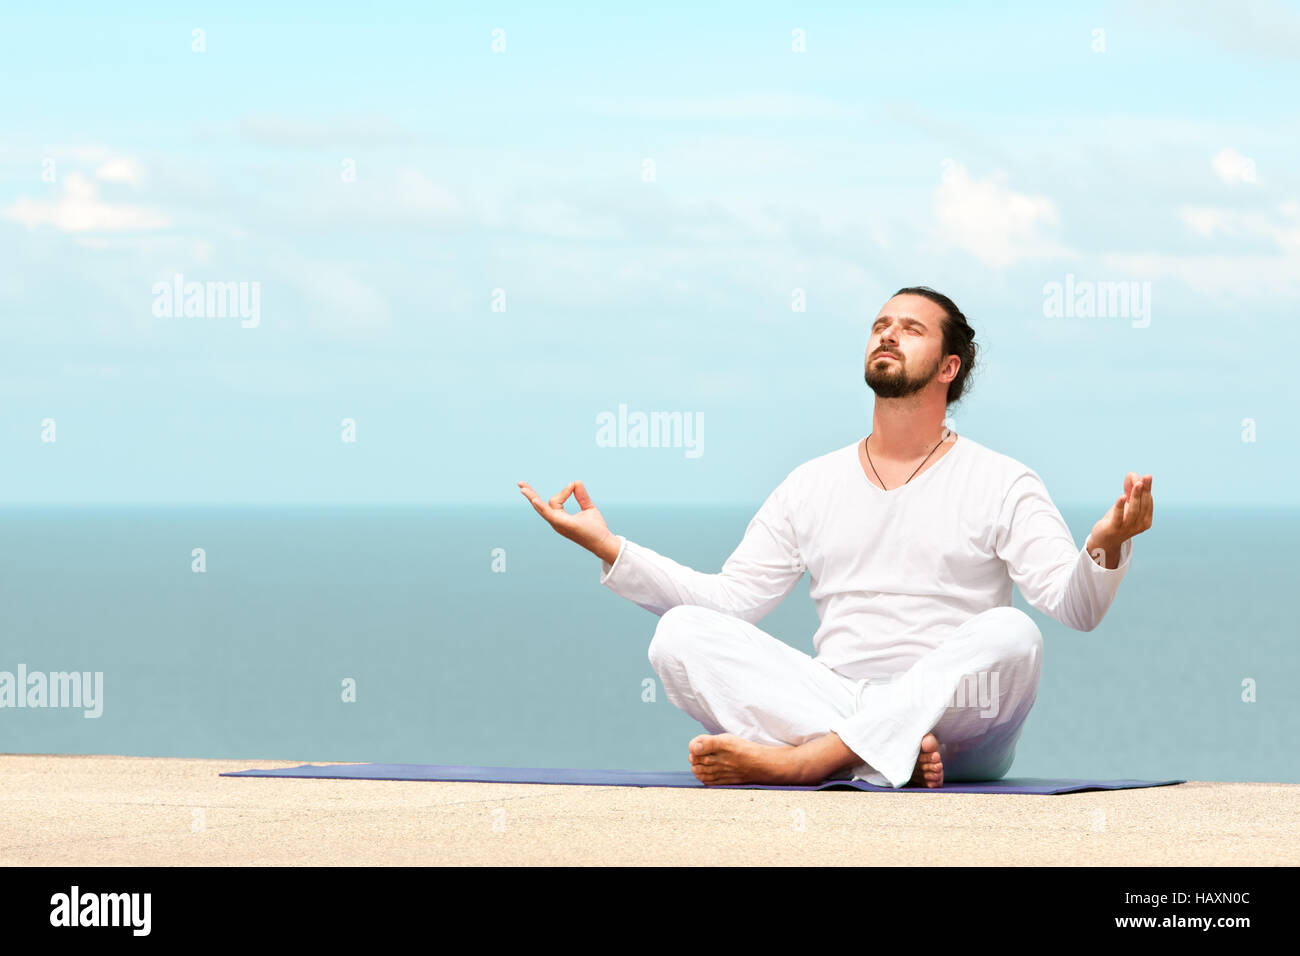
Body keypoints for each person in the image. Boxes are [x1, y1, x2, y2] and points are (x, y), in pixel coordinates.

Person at [518, 287, 1153, 788]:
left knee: (1014, 636)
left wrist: (1106, 544)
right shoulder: (810, 483)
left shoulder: (1003, 480)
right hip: (836, 698)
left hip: (956, 729)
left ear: (948, 367)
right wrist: (607, 545)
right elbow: (729, 602)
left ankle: (804, 763)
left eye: (911, 328)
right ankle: (862, 756)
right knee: (680, 635)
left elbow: (1076, 607)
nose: (888, 333)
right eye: (881, 324)